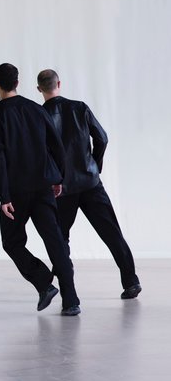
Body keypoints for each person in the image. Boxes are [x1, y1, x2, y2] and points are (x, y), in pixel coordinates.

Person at [0, 63, 80, 315]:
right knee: (55, 242)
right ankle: (71, 300)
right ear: (17, 83)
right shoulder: (36, 110)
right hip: (42, 187)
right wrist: (58, 178)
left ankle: (43, 282)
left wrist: (3, 196)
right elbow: (56, 146)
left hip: (15, 193)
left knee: (12, 242)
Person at [37, 69, 140, 299]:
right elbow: (102, 137)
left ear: (39, 89)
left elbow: (40, 154)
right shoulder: (79, 107)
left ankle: (67, 289)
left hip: (61, 189)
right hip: (90, 182)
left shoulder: (40, 115)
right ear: (59, 84)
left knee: (60, 238)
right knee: (111, 232)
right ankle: (131, 282)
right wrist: (95, 163)